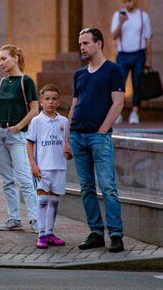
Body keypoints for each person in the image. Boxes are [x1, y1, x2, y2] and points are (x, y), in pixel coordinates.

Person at [66, 28, 125, 253]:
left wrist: (102, 131)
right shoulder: (79, 74)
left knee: (108, 187)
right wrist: (67, 139)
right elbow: (74, 105)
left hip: (98, 137)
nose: (82, 47)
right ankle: (96, 233)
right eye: (80, 43)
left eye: (86, 43)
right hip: (77, 136)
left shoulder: (113, 70)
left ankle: (116, 234)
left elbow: (118, 103)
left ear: (99, 44)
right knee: (86, 188)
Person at [0, 44, 39, 233]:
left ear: (15, 58)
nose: (0, 62)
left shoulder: (26, 81)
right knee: (6, 179)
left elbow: (35, 109)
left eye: (4, 58)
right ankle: (14, 218)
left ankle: (35, 220)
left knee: (24, 178)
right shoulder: (1, 82)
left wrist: (18, 126)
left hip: (17, 135)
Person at [26, 84, 69, 249]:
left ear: (58, 102)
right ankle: (41, 235)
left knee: (54, 201)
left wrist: (68, 152)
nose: (51, 102)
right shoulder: (37, 121)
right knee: (43, 199)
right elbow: (29, 144)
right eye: (47, 99)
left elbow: (66, 144)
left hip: (59, 167)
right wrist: (33, 164)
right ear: (41, 101)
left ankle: (50, 233)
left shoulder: (64, 121)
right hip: (43, 167)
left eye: (54, 99)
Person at [110, 0, 152, 125]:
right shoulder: (118, 15)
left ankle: (134, 112)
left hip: (139, 53)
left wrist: (148, 59)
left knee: (137, 83)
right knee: (119, 83)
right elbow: (113, 36)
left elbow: (148, 38)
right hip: (123, 54)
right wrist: (121, 22)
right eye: (124, 2)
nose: (127, 4)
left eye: (129, 1)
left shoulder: (143, 16)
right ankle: (118, 113)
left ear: (134, 0)